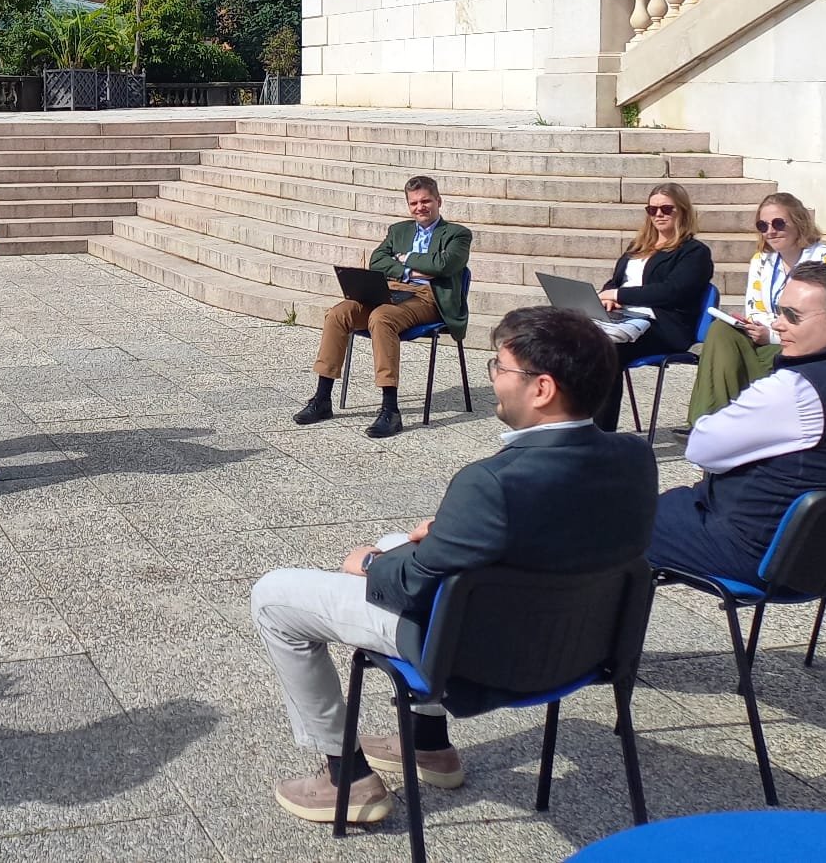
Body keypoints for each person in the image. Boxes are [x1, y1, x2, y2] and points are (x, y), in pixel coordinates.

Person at [253, 308, 657, 825]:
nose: (494, 379)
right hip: (581, 646)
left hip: (478, 655)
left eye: (501, 368)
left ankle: (346, 778)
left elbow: (412, 585)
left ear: (542, 389)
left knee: (274, 595)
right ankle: (428, 742)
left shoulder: (492, 483)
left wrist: (373, 562)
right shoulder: (634, 457)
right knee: (403, 538)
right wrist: (429, 541)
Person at [648, 263, 826, 588]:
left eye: (793, 315)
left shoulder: (796, 389)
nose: (778, 324)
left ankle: (597, 634)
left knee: (613, 524)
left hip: (765, 555)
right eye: (779, 312)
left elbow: (702, 448)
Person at [293, 175, 472, 439]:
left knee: (382, 317)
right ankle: (322, 398)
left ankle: (390, 409)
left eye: (426, 201)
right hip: (391, 291)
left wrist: (405, 258)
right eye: (414, 203)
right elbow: (377, 261)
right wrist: (414, 269)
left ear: (438, 201)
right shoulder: (399, 230)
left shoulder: (457, 234)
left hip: (428, 298)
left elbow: (444, 266)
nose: (420, 207)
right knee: (338, 313)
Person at [686, 193, 826, 426]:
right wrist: (756, 328)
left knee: (729, 354)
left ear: (799, 222)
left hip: (805, 344)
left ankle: (716, 422)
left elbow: (821, 319)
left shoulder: (824, 258)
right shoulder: (761, 260)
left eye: (778, 223)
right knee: (720, 330)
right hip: (766, 336)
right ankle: (709, 422)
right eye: (763, 225)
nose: (770, 231)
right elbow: (754, 308)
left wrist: (772, 335)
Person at [591, 181, 714, 432]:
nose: (658, 214)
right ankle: (569, 427)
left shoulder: (694, 253)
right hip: (622, 317)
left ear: (682, 211)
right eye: (652, 209)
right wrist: (610, 295)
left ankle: (600, 437)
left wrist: (621, 294)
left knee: (604, 352)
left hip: (663, 326)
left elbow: (673, 291)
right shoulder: (636, 247)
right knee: (570, 341)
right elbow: (615, 282)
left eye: (666, 209)